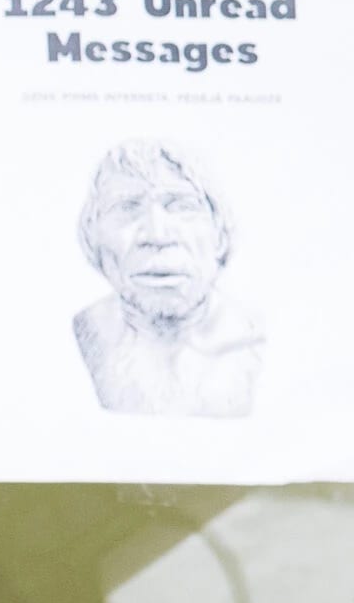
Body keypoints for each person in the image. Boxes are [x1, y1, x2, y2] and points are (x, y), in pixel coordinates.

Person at [72, 137, 265, 418]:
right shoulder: (82, 334)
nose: (157, 235)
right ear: (93, 235)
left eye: (183, 206)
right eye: (127, 207)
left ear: (220, 233)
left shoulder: (256, 337)